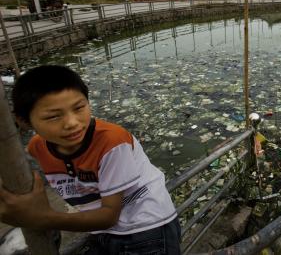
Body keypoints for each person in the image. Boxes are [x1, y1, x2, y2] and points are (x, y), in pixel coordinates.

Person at [0, 65, 181, 254]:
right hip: (103, 229)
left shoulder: (113, 143)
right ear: (25, 121)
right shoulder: (37, 146)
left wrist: (43, 218)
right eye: (53, 117)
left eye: (79, 108)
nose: (72, 123)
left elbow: (109, 216)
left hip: (146, 228)